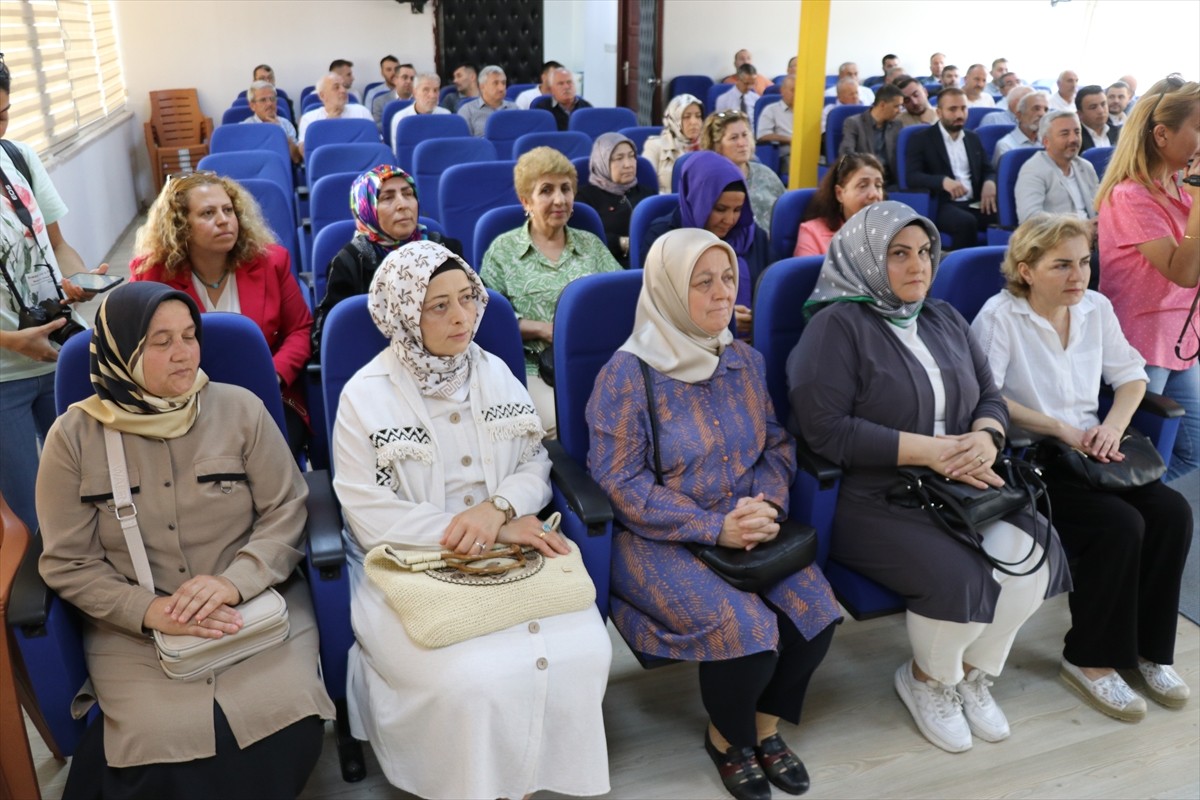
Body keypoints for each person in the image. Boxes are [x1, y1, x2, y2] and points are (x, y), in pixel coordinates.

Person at [330, 242, 611, 800]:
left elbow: (535, 459)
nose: (461, 317)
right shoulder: (364, 396)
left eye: (466, 299)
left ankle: (532, 779)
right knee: (469, 676)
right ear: (405, 314)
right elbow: (366, 511)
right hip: (410, 559)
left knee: (584, 649)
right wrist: (481, 527)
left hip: (508, 546)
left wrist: (501, 509)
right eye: (438, 306)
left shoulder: (497, 372)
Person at [788, 201, 1070, 754]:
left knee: (1036, 554)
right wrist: (932, 452)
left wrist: (986, 437)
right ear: (868, 258)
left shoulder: (942, 316)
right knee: (961, 575)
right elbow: (825, 431)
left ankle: (969, 672)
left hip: (961, 481)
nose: (918, 265)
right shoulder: (836, 327)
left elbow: (991, 396)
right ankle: (926, 681)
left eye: (924, 252)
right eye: (899, 254)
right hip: (874, 494)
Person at [36, 282, 334, 799]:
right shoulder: (72, 439)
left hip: (255, 609)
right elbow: (69, 562)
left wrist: (234, 582)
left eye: (189, 336)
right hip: (137, 634)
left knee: (281, 722)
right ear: (122, 351)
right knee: (156, 742)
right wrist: (150, 611)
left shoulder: (240, 410)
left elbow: (286, 509)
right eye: (161, 342)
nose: (183, 353)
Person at [587, 228, 841, 800]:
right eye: (703, 282)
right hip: (657, 536)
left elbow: (775, 445)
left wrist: (766, 502)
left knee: (817, 614)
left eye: (728, 278)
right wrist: (712, 526)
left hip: (746, 523)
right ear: (671, 292)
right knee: (747, 632)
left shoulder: (744, 361)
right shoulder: (627, 376)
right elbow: (618, 483)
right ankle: (727, 740)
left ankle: (763, 729)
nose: (722, 292)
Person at [972, 214, 1192, 721]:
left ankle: (1146, 650)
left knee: (1172, 512)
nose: (1079, 276)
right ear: (1026, 270)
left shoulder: (1095, 308)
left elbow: (1132, 377)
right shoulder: (999, 316)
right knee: (1120, 525)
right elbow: (989, 398)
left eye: (1085, 262)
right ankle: (1089, 659)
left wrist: (1111, 427)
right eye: (1062, 265)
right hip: (1034, 459)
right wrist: (1060, 429)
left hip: (1096, 448)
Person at [130, 173, 312, 454]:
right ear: (181, 226)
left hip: (266, 396)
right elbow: (134, 347)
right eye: (207, 213)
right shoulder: (151, 275)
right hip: (181, 403)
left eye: (228, 210)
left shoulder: (271, 262)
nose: (223, 219)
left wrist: (271, 374)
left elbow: (300, 330)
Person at [0, 57, 106, 536]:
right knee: (33, 516)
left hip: (59, 351)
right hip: (4, 377)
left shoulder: (19, 157)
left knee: (98, 489)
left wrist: (78, 279)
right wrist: (9, 340)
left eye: (1, 114)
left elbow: (57, 245)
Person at [1095, 76, 1200, 482]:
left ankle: (1143, 512)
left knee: (1190, 451)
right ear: (1162, 134)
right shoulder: (1130, 196)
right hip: (1142, 344)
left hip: (1181, 338)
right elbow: (1184, 272)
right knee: (1136, 458)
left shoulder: (1179, 188)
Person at [480, 147, 622, 436]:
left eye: (566, 189)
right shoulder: (503, 251)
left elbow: (620, 300)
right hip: (537, 368)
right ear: (525, 201)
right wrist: (543, 330)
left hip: (598, 359)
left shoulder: (591, 244)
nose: (559, 199)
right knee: (562, 427)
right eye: (546, 190)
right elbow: (486, 320)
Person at [312, 164, 462, 351]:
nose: (402, 205)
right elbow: (329, 338)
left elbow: (478, 310)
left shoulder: (444, 249)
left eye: (408, 194)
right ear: (367, 208)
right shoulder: (350, 263)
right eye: (387, 198)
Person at [645, 151, 769, 339]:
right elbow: (656, 306)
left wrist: (758, 317)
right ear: (698, 200)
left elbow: (770, 291)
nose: (729, 220)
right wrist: (715, 317)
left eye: (737, 210)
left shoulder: (752, 236)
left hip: (753, 343)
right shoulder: (664, 238)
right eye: (720, 209)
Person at [905, 87, 997, 250]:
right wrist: (943, 181)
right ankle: (961, 271)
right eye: (952, 109)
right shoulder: (921, 139)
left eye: (963, 108)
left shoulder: (973, 138)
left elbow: (987, 169)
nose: (960, 115)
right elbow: (912, 176)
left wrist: (990, 183)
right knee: (966, 222)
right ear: (939, 112)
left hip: (974, 201)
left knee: (1005, 216)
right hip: (942, 202)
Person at [575, 132, 654, 267]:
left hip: (650, 265)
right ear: (602, 162)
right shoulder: (584, 197)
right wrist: (622, 243)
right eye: (619, 158)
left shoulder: (648, 195)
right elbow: (584, 240)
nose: (628, 164)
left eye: (632, 156)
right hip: (605, 268)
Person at [701, 110, 784, 235]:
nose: (742, 143)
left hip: (771, 248)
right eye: (734, 138)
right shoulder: (709, 180)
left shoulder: (766, 173)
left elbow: (785, 214)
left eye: (745, 135)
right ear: (716, 145)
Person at [794, 152, 886, 256]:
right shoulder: (812, 233)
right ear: (839, 194)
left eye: (878, 186)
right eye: (863, 186)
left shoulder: (893, 232)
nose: (874, 194)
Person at [1015, 110, 1099, 223]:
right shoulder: (1033, 170)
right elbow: (1030, 218)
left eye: (1077, 132)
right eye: (1065, 134)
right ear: (1046, 142)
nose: (1074, 139)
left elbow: (1099, 208)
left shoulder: (1085, 166)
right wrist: (1079, 227)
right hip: (1057, 237)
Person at [838, 84, 904, 186]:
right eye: (896, 106)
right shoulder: (854, 123)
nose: (899, 111)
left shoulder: (897, 125)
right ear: (882, 105)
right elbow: (847, 153)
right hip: (864, 179)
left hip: (891, 182)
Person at [297, 72, 374, 155]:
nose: (343, 90)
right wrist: (327, 126)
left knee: (387, 167)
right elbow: (305, 153)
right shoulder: (309, 118)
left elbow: (377, 144)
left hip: (362, 163)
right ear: (322, 96)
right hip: (327, 165)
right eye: (336, 87)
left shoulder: (361, 111)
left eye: (344, 86)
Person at [643, 93, 703, 194]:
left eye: (698, 116)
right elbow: (647, 186)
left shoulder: (709, 146)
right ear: (674, 120)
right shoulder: (655, 146)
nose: (694, 122)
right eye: (686, 117)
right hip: (667, 205)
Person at [243, 80, 301, 164]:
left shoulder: (285, 124)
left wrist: (280, 132)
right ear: (252, 106)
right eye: (263, 100)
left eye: (272, 99)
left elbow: (296, 159)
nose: (270, 103)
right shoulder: (245, 127)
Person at [388, 72, 451, 144]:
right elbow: (399, 152)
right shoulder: (401, 118)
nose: (433, 95)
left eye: (436, 90)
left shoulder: (446, 115)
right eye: (426, 90)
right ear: (415, 93)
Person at [993, 90, 1050, 168]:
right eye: (1036, 109)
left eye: (1046, 110)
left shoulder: (1050, 142)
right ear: (1019, 115)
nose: (1042, 114)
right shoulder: (1006, 145)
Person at [458, 64, 517, 136]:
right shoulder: (467, 111)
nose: (501, 88)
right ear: (482, 86)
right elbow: (465, 143)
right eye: (495, 83)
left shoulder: (514, 108)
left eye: (503, 83)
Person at [756, 75, 795, 173]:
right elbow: (763, 135)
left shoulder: (805, 111)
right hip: (787, 155)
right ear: (782, 91)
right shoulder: (771, 110)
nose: (797, 94)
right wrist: (789, 139)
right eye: (793, 90)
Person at [1077, 84, 1121, 152]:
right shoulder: (1075, 138)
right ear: (1079, 114)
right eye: (1093, 107)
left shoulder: (1119, 133)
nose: (1101, 110)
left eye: (1103, 104)